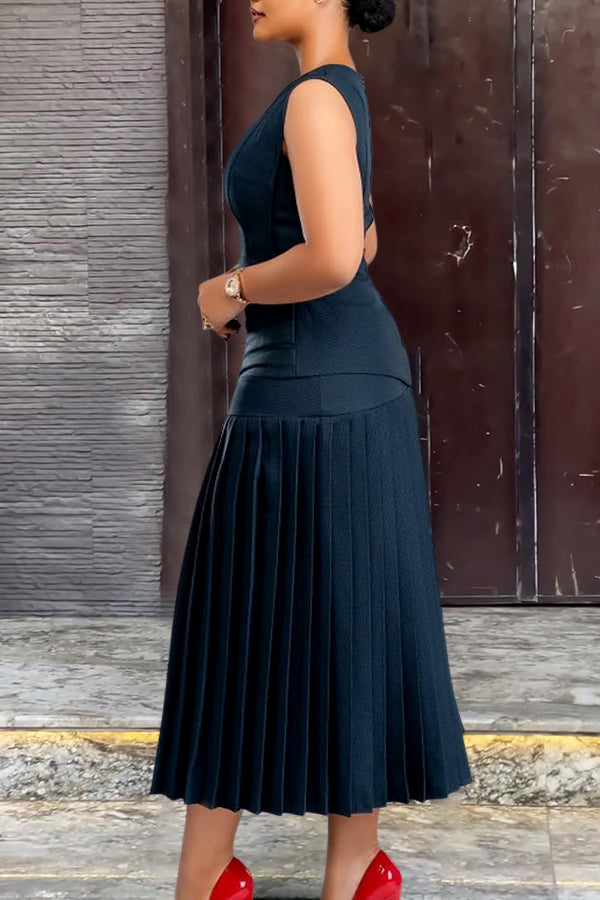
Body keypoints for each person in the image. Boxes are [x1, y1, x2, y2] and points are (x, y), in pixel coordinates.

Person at [150, 0, 473, 896]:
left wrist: (228, 289)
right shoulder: (337, 94)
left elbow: (334, 258)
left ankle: (218, 878)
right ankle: (348, 870)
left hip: (315, 397)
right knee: (333, 624)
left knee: (257, 627)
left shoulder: (317, 99)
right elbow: (359, 242)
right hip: (327, 388)